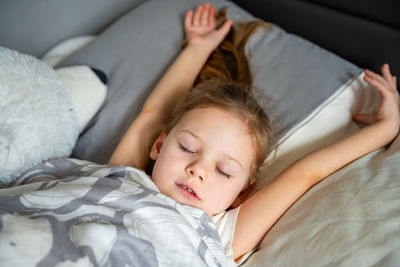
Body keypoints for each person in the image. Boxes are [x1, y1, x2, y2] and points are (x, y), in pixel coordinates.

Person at [109, 2, 399, 264]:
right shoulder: (123, 175)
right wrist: (197, 48)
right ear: (159, 145)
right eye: (186, 147)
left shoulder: (221, 235)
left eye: (223, 171)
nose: (198, 170)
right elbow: (155, 113)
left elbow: (305, 173)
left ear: (243, 193)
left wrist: (385, 130)